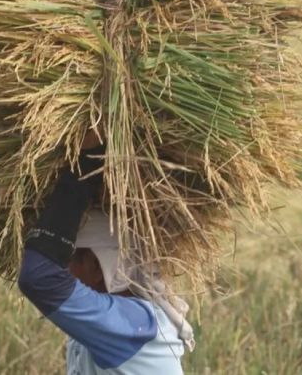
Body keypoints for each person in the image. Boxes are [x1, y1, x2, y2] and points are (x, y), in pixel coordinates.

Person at [18, 132, 194, 374]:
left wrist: (86, 163)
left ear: (95, 264)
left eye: (66, 260)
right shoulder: (110, 325)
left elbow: (39, 276)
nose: (63, 271)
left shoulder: (130, 325)